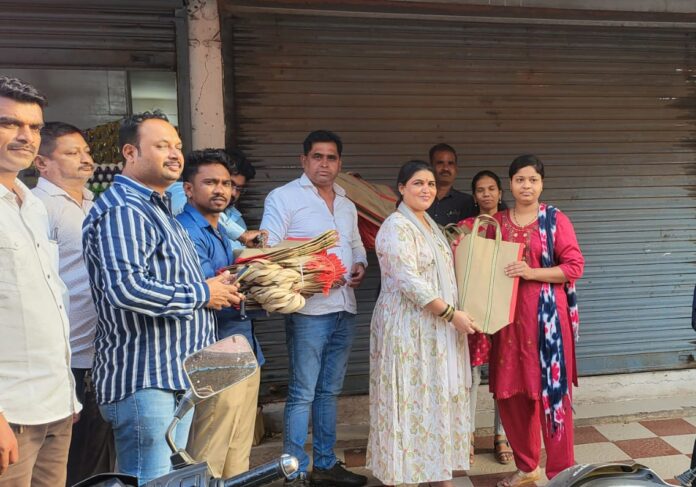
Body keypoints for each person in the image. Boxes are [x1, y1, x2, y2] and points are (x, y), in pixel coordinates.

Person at [82, 111, 244, 485]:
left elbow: (167, 280)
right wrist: (204, 292)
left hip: (174, 375)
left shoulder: (157, 208)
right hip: (145, 379)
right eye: (161, 146)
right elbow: (127, 288)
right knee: (149, 480)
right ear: (130, 152)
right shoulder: (125, 209)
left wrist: (213, 286)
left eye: (177, 146)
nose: (174, 154)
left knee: (167, 479)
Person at [260, 130, 368, 487]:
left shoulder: (346, 202)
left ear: (340, 163)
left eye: (331, 157)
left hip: (344, 307)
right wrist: (315, 272)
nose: (324, 164)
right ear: (303, 160)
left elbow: (355, 243)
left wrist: (360, 264)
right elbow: (269, 251)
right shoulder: (284, 197)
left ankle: (325, 464)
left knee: (329, 392)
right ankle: (294, 471)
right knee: (303, 392)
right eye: (317, 156)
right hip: (308, 311)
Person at [367, 160, 480, 487]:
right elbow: (409, 281)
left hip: (436, 329)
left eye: (430, 184)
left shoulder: (429, 224)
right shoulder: (396, 226)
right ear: (402, 188)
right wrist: (451, 314)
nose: (426, 189)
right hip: (409, 329)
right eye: (418, 183)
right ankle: (406, 475)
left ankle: (438, 474)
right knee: (411, 400)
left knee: (434, 401)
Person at [0, 76, 81, 485]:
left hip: (54, 406)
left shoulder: (31, 205)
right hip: (9, 412)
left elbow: (49, 300)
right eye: (9, 123)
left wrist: (66, 392)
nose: (25, 136)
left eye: (34, 127)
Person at [490, 155, 584, 486]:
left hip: (548, 325)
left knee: (552, 397)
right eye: (520, 179)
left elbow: (574, 266)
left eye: (533, 180)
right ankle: (528, 467)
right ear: (510, 184)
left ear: (542, 184)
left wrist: (531, 273)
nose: (526, 186)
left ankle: (561, 473)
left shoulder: (555, 220)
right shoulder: (497, 223)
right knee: (512, 396)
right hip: (507, 322)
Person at [31, 122, 114, 485]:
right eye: (71, 152)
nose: (85, 159)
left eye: (86, 151)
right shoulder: (38, 207)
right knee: (68, 463)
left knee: (100, 458)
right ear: (42, 163)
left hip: (104, 353)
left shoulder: (98, 204)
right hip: (68, 359)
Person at [176, 148, 263, 478]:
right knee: (211, 446)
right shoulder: (185, 232)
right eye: (210, 182)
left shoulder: (218, 232)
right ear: (188, 189)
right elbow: (210, 291)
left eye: (226, 184)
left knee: (238, 445)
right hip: (213, 350)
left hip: (240, 344)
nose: (221, 190)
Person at [456, 170, 512, 466]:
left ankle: (501, 435)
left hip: (505, 309)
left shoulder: (511, 226)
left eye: (492, 189)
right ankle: (467, 434)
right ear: (474, 196)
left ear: (500, 193)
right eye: (480, 190)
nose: (487, 194)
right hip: (473, 310)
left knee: (503, 373)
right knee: (472, 375)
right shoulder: (464, 228)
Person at [168, 147, 266, 249]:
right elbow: (197, 209)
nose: (232, 192)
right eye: (230, 183)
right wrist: (241, 235)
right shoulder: (179, 191)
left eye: (226, 184)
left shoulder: (237, 220)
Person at [426, 143, 477, 226]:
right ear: (431, 167)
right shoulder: (420, 198)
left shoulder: (467, 202)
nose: (445, 168)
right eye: (440, 163)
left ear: (456, 169)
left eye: (450, 163)